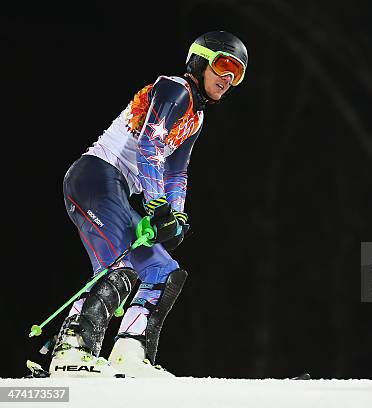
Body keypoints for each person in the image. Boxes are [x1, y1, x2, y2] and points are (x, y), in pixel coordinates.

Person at [50, 31, 248, 378]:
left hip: (115, 188)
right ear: (200, 62)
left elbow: (176, 171)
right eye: (224, 64)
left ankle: (129, 353)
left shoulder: (196, 118)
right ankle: (71, 351)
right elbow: (149, 146)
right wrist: (159, 209)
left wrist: (177, 214)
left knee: (163, 271)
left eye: (238, 73)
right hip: (94, 178)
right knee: (118, 268)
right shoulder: (174, 88)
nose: (229, 78)